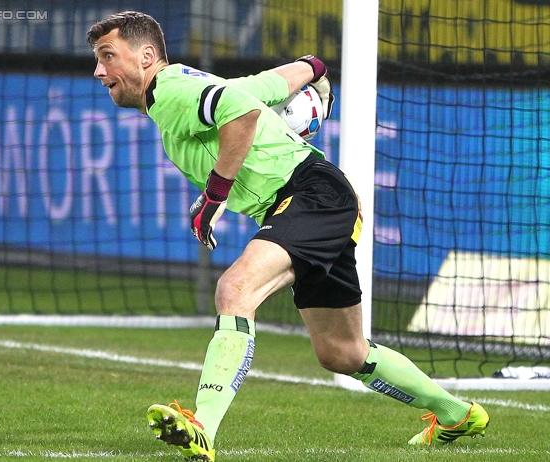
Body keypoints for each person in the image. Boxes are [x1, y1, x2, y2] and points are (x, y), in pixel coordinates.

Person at [87, 11, 489, 461]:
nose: (100, 71)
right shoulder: (194, 84)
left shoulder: (169, 91)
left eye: (107, 57)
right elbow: (274, 81)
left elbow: (239, 115)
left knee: (235, 290)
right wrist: (315, 70)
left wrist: (211, 200)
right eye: (97, 59)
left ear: (146, 57)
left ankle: (202, 425)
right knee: (342, 353)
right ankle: (458, 414)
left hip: (309, 194)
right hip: (322, 199)